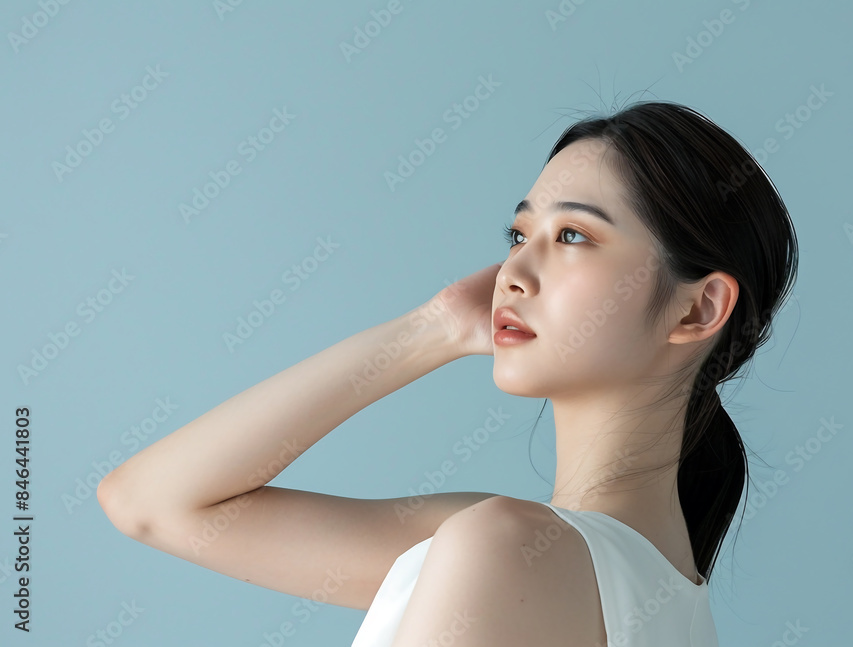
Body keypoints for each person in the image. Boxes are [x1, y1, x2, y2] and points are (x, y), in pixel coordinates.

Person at [97, 100, 798, 646]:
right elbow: (151, 502)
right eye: (519, 235)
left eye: (574, 236)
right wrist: (435, 325)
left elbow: (156, 506)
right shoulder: (650, 588)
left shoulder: (505, 546)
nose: (515, 272)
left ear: (698, 306)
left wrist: (422, 334)